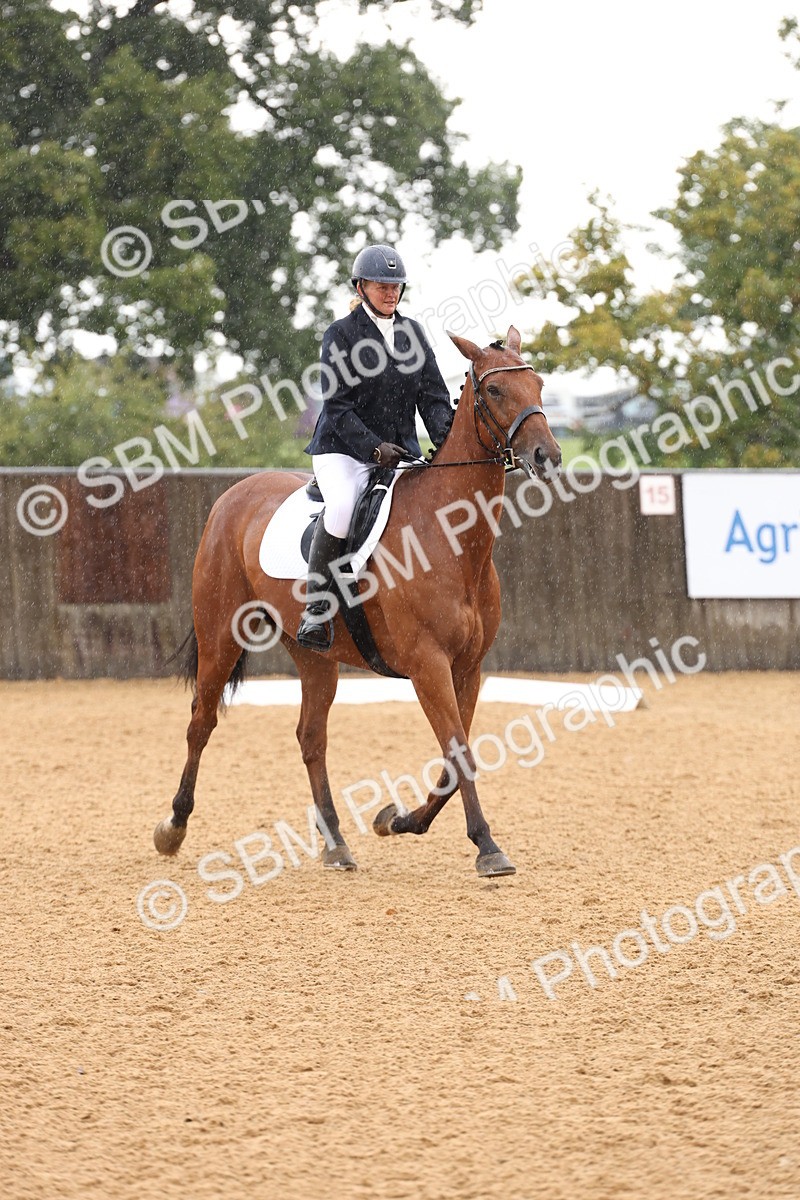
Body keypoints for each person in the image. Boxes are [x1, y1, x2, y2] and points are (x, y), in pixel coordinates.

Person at [297, 243, 454, 650]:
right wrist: (371, 448)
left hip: (399, 452)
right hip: (343, 450)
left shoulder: (412, 334)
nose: (391, 293)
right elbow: (337, 407)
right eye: (381, 285)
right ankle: (315, 609)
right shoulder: (341, 334)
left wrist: (446, 444)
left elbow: (433, 399)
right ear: (361, 286)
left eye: (396, 285)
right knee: (344, 505)